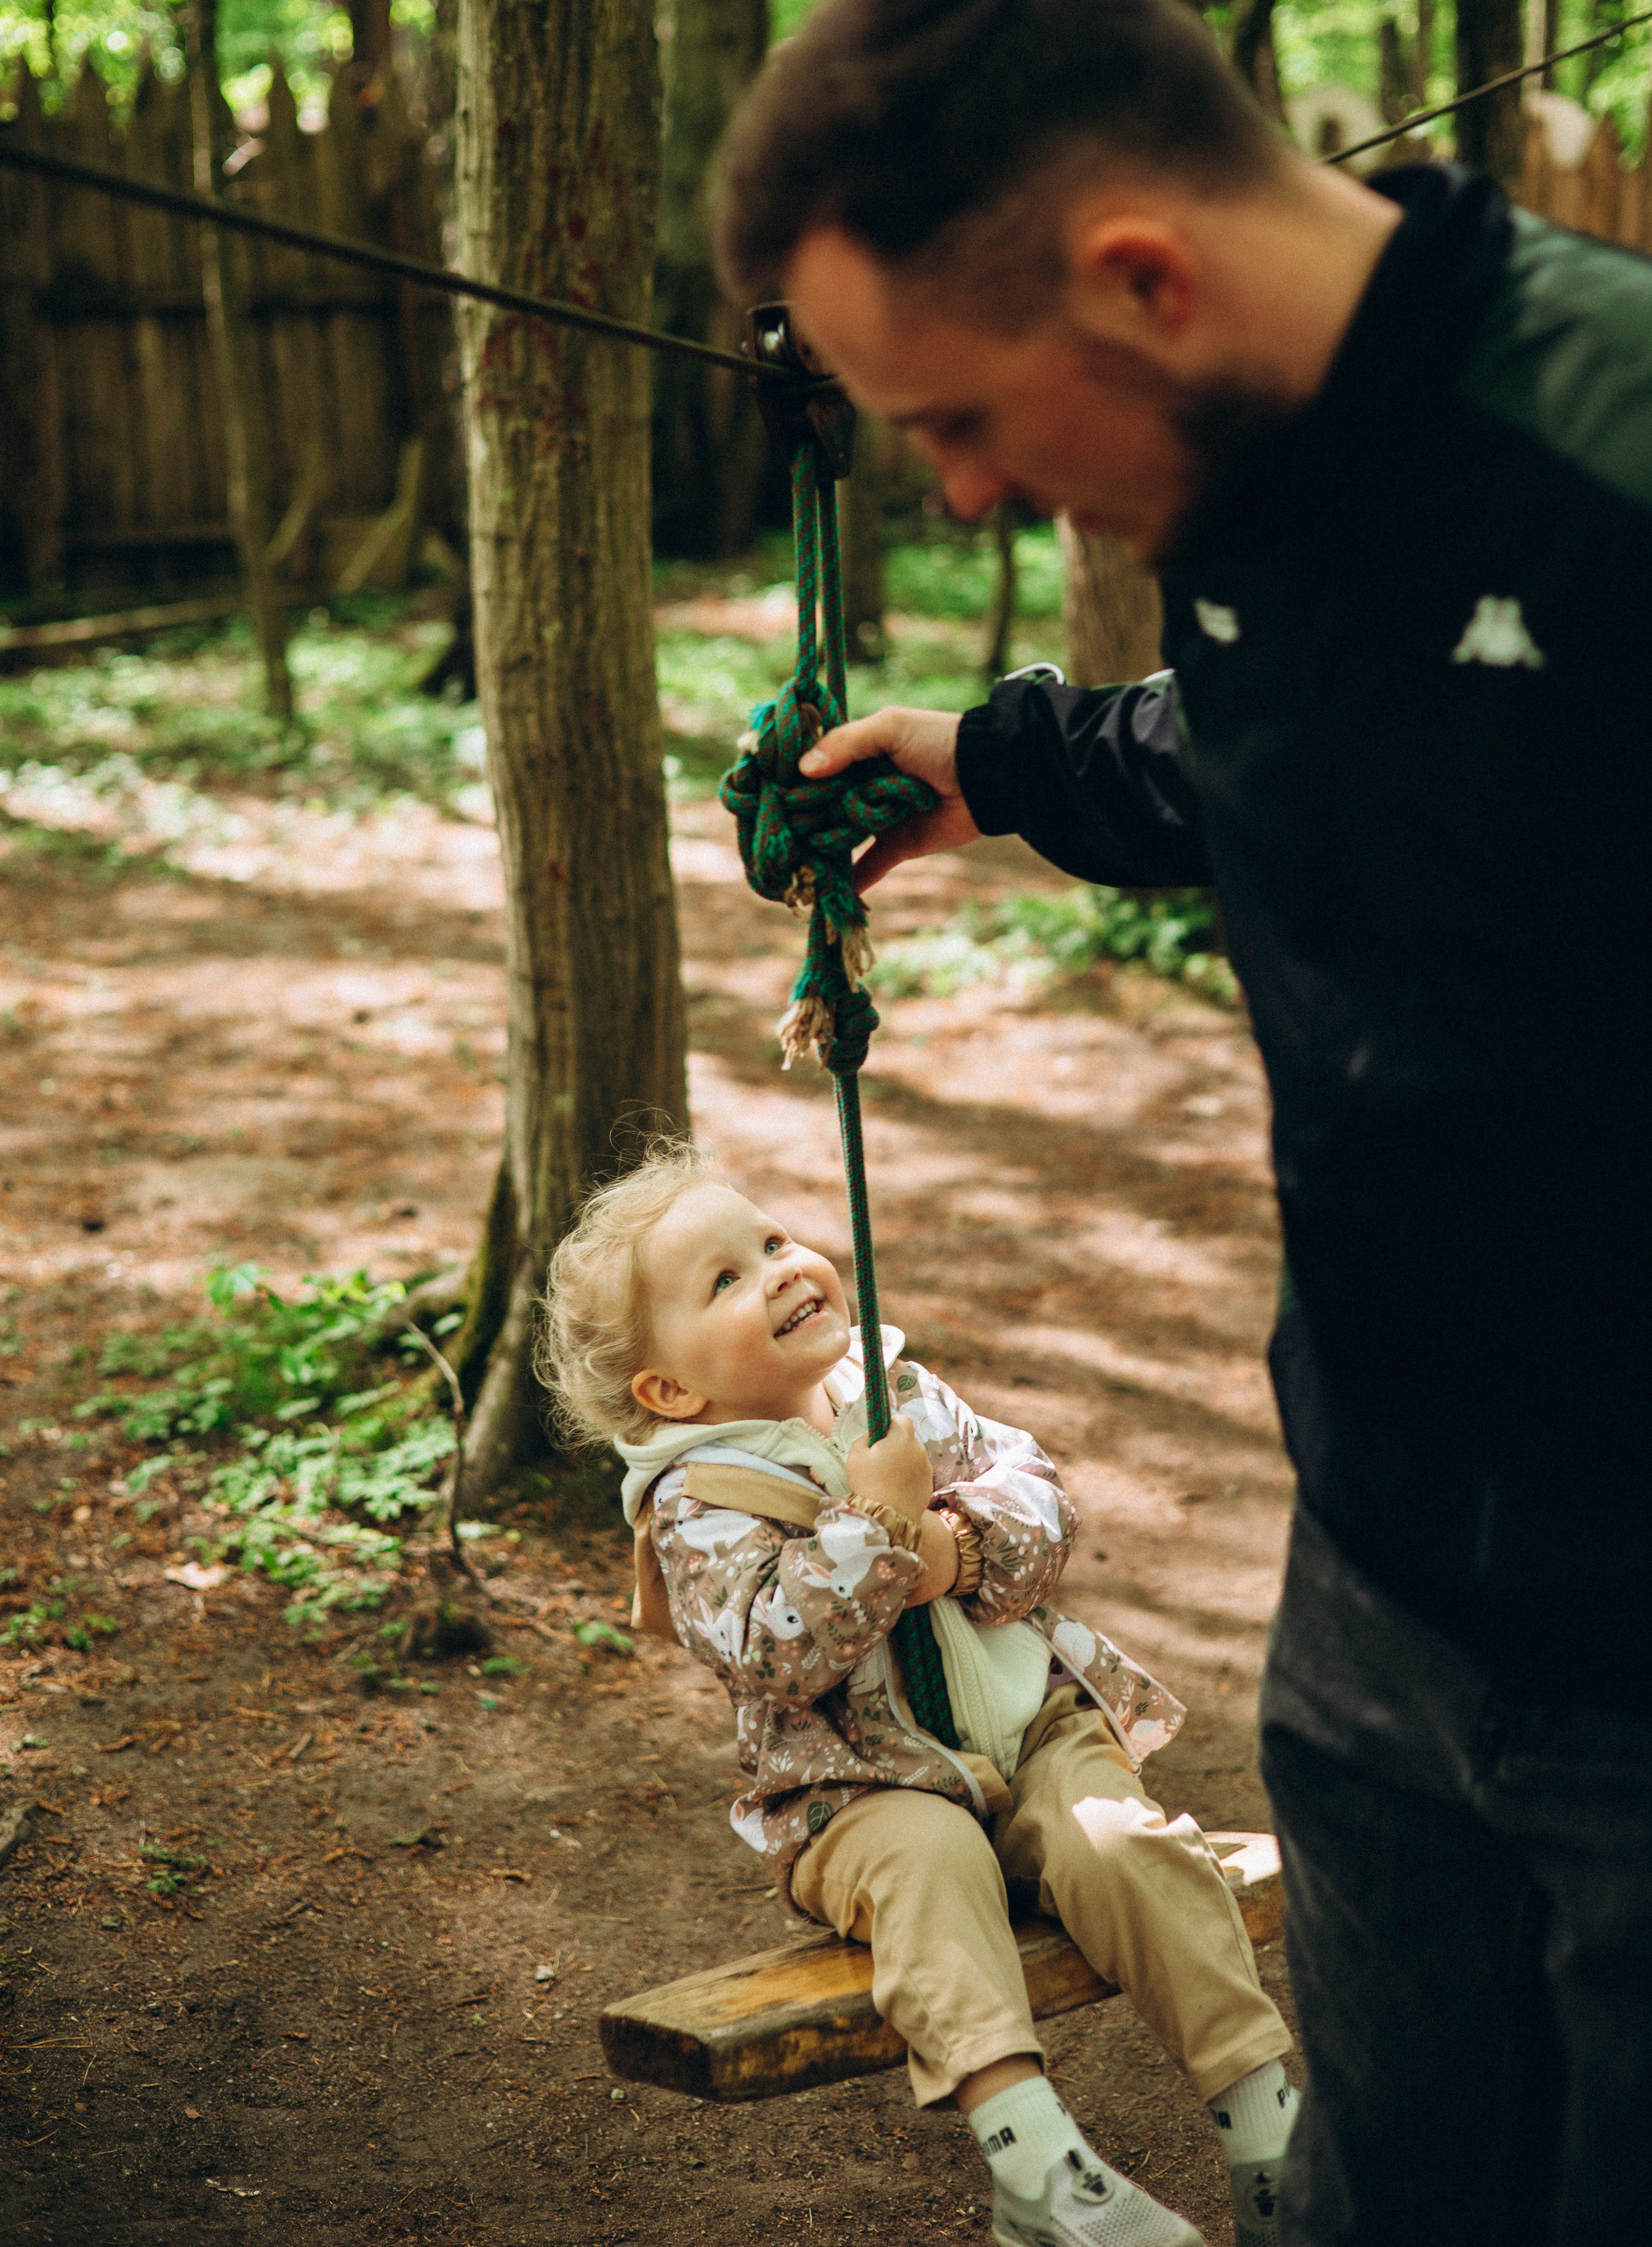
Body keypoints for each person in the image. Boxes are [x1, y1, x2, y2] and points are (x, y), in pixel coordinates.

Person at [710, 5, 1652, 2245]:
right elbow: (1287, 732)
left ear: (1143, 278)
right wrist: (1006, 760)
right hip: (1386, 1602)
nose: (956, 489)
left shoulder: (1609, 451)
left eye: (954, 417)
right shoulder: (1245, 471)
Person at [539, 1145, 1298, 2247]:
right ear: (671, 1389)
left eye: (772, 1239)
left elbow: (1044, 1499)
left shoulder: (896, 1394)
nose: (782, 1267)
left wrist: (954, 1542)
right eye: (726, 1281)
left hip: (1030, 1729)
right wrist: (876, 1526)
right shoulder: (695, 1503)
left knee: (1123, 1844)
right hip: (857, 1793)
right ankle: (1037, 2165)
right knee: (931, 1869)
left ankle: (1267, 2125)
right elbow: (771, 1652)